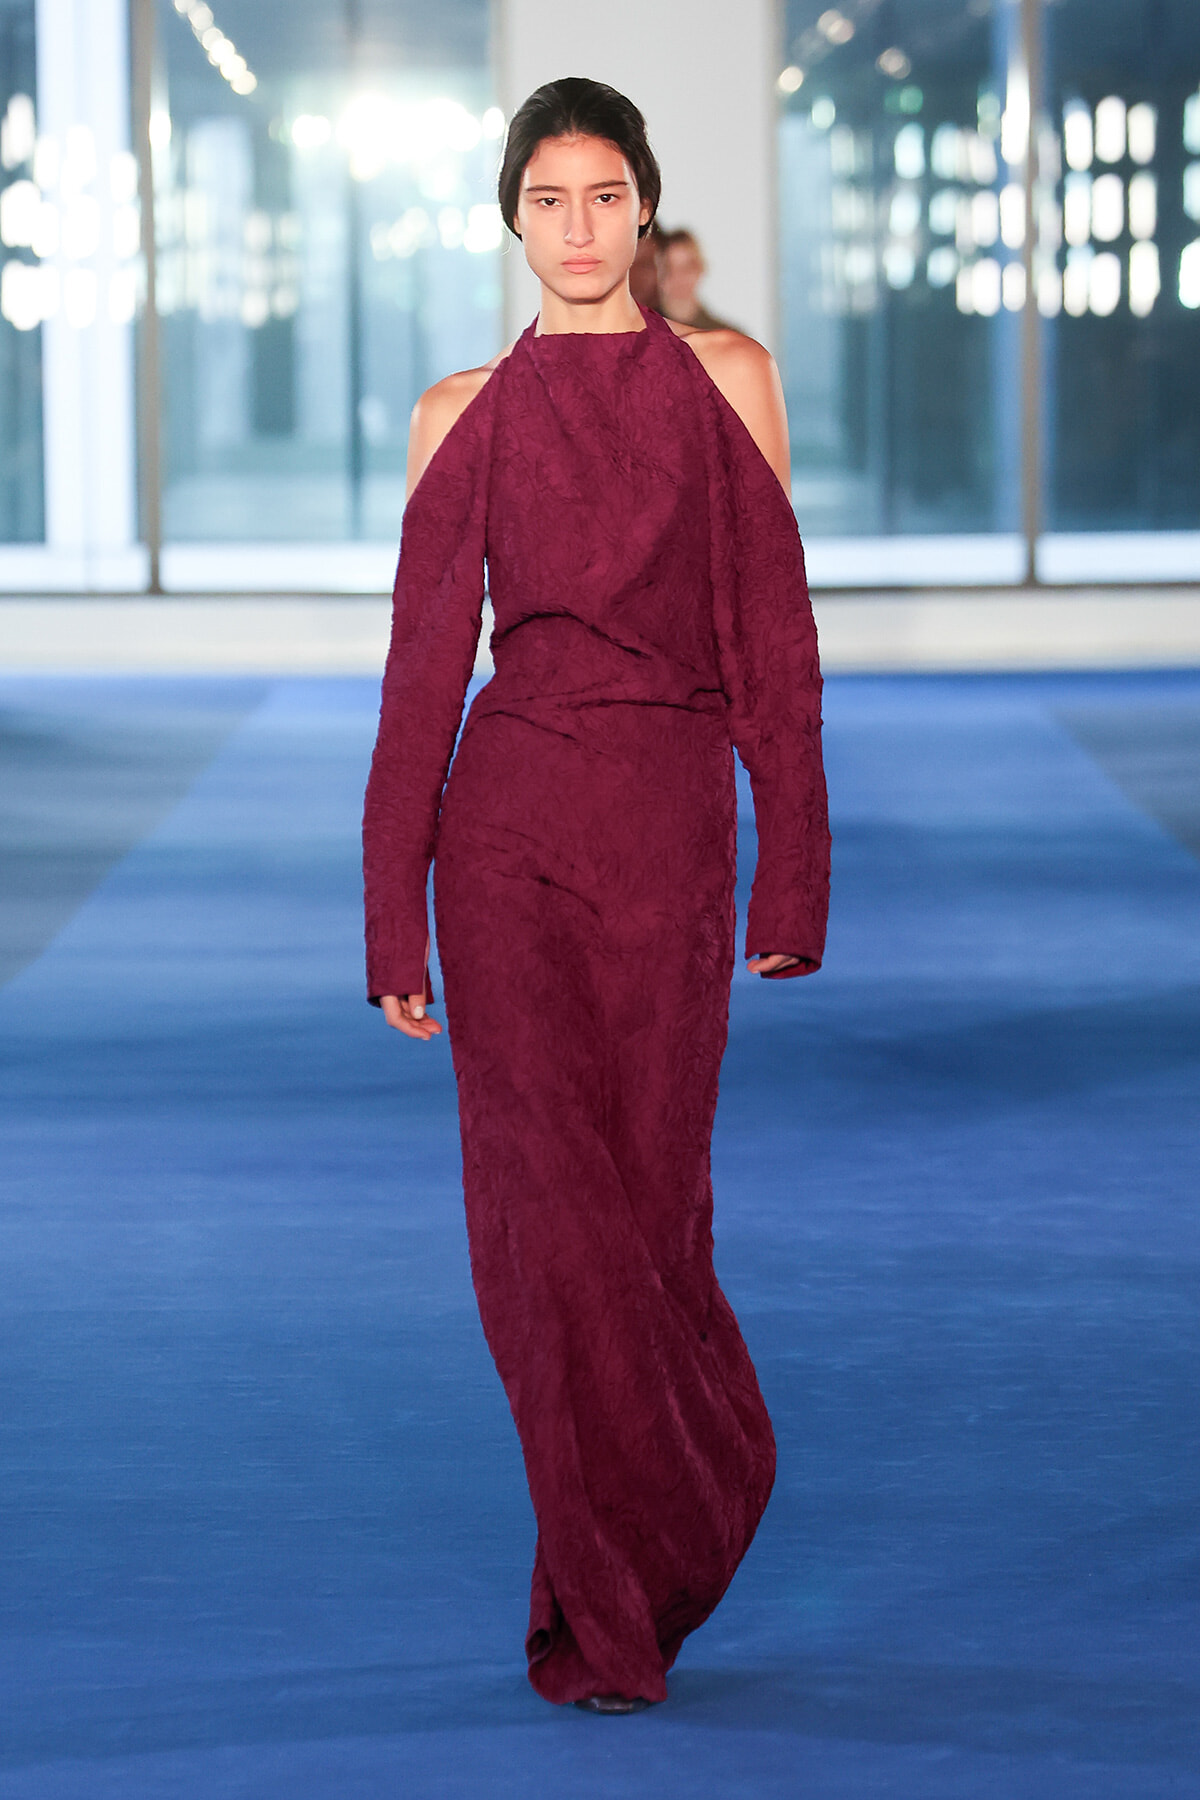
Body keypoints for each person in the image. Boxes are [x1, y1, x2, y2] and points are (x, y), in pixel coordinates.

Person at [362, 77, 829, 1714]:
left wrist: (796, 873)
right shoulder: (459, 413)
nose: (579, 227)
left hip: (671, 837)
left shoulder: (729, 382)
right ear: (512, 216)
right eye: (548, 199)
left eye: (607, 195)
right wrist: (391, 910)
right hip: (504, 844)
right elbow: (421, 679)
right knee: (540, 1227)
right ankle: (601, 1607)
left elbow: (774, 640)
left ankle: (689, 1496)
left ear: (646, 207)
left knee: (651, 1216)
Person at [657, 226, 738, 332]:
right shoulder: (642, 331)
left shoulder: (727, 337)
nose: (678, 277)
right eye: (668, 269)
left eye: (687, 268)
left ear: (700, 269)